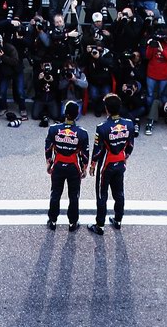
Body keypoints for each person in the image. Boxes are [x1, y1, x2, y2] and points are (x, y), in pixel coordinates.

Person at [88, 92, 134, 234]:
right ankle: (118, 220)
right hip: (120, 163)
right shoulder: (129, 124)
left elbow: (97, 150)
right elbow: (130, 145)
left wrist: (92, 164)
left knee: (102, 195)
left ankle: (100, 225)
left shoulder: (102, 127)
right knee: (119, 192)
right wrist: (125, 157)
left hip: (105, 166)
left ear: (106, 109)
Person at [44, 100, 89, 232]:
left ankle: (52, 220)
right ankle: (73, 223)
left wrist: (49, 162)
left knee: (55, 193)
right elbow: (84, 153)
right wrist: (84, 168)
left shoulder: (54, 129)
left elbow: (48, 148)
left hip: (58, 165)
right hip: (73, 167)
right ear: (77, 115)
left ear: (65, 113)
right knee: (74, 195)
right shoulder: (82, 132)